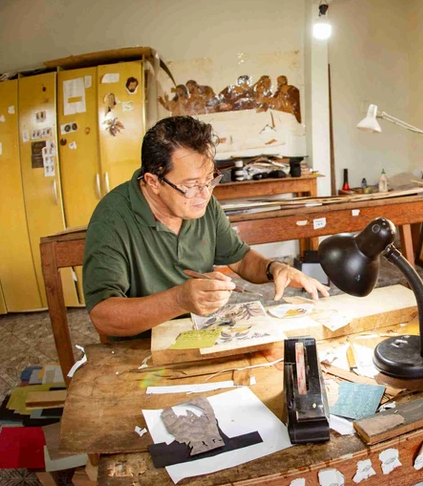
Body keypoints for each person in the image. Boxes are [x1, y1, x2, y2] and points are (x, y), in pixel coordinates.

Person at [83, 116, 329, 337]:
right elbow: (103, 316)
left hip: (201, 332)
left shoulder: (202, 202)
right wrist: (178, 300)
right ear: (153, 182)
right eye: (191, 185)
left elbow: (240, 259)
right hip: (141, 347)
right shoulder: (112, 219)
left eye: (210, 180)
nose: (205, 194)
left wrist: (273, 268)